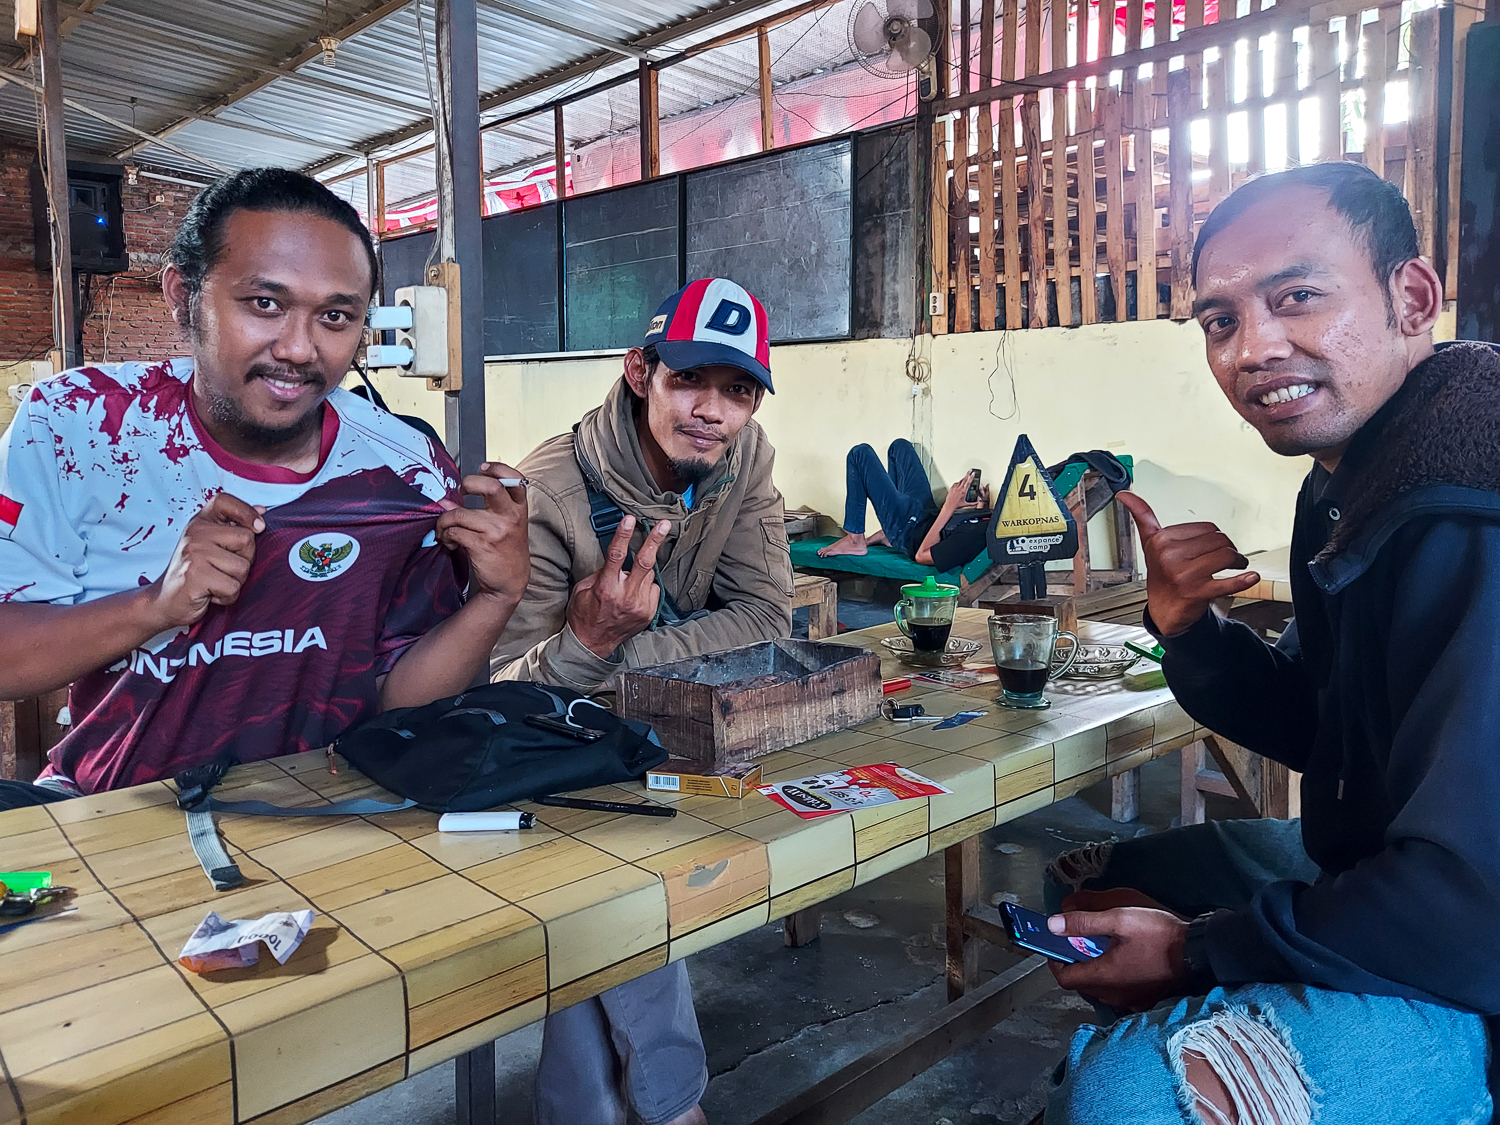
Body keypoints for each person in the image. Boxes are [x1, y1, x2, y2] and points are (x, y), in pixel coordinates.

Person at [1038, 161, 1495, 1124]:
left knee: (1129, 1098)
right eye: (1221, 321)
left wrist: (1202, 950)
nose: (1255, 347)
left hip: (1471, 955)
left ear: (1411, 297)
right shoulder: (1346, 475)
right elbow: (1326, 726)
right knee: (1100, 895)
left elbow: (1470, 902)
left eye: (1298, 297)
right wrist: (1187, 627)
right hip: (1377, 867)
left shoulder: (1466, 514)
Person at [0, 168, 529, 805]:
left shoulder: (407, 469)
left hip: (322, 814)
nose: (300, 349)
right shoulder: (81, 426)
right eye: (265, 304)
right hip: (109, 805)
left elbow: (395, 697)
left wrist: (495, 597)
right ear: (181, 295)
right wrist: (155, 607)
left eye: (336, 316)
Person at [489, 277, 793, 1125]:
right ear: (638, 370)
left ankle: (625, 1109)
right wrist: (587, 644)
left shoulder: (745, 456)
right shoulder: (545, 496)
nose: (712, 411)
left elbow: (769, 613)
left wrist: (623, 647)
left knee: (616, 893)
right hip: (543, 759)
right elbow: (506, 695)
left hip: (652, 732)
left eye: (737, 390)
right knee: (615, 877)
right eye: (689, 379)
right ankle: (673, 1104)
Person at [816, 439, 992, 570]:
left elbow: (922, 555)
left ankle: (856, 540)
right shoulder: (992, 523)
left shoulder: (970, 543)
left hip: (907, 530)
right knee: (899, 447)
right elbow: (971, 527)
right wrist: (981, 504)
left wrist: (950, 505)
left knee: (860, 454)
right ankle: (887, 532)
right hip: (926, 512)